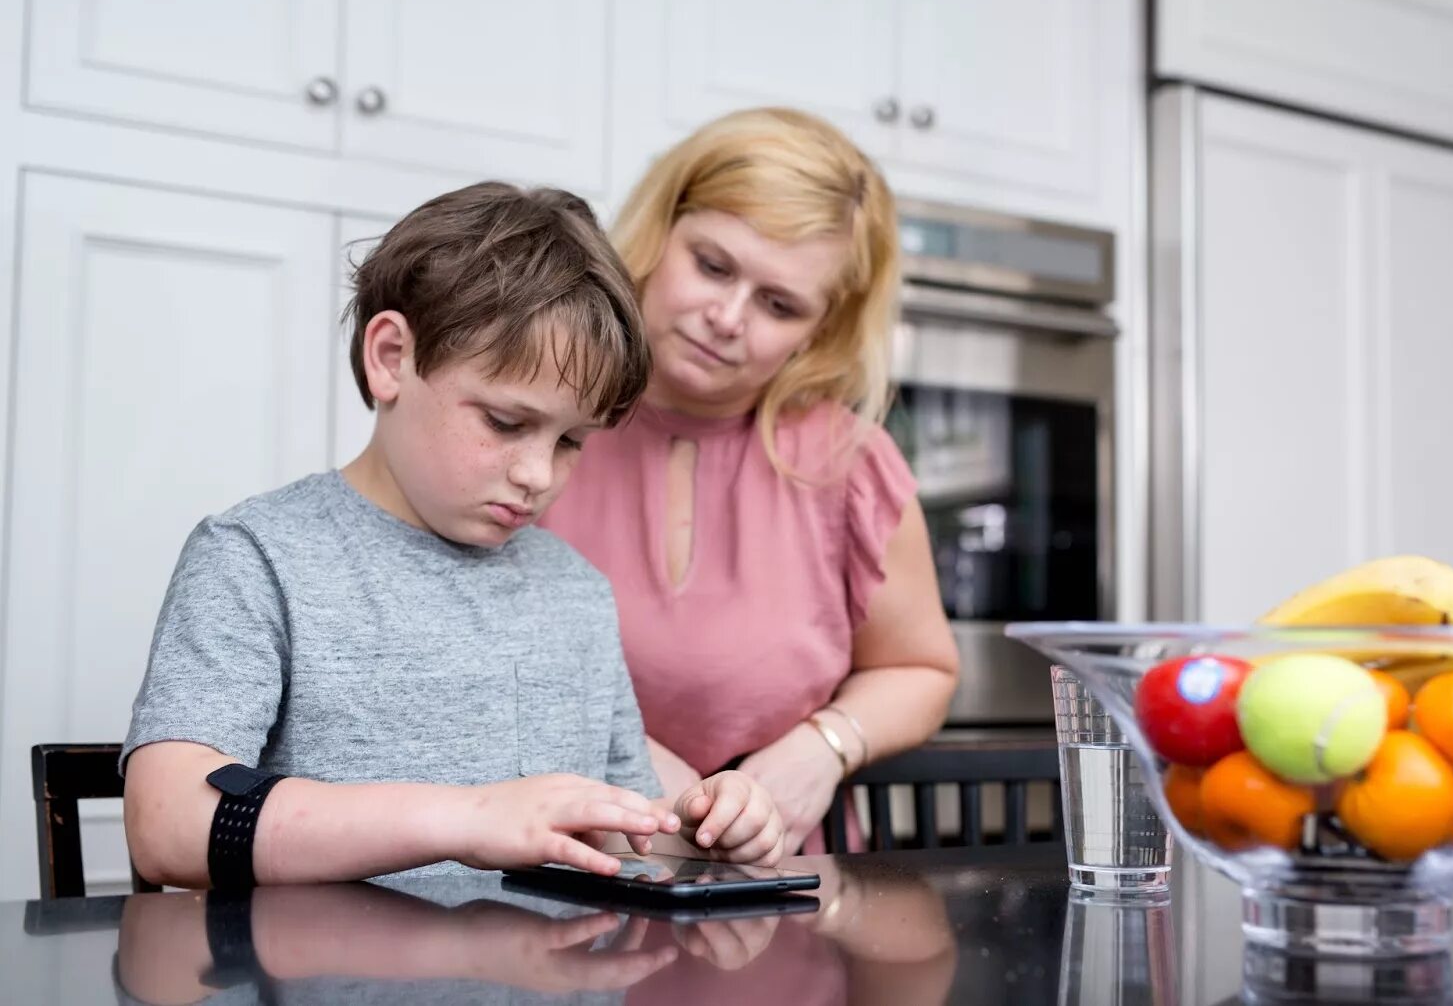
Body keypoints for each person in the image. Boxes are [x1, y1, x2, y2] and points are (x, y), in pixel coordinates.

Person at [120, 182, 785, 890]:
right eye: (504, 423)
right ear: (391, 357)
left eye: (572, 442)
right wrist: (466, 818)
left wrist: (708, 833)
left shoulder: (575, 592)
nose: (538, 474)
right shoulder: (257, 559)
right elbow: (168, 822)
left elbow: (622, 833)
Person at [540, 108, 960, 854]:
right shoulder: (536, 414)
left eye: (778, 305)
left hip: (767, 891)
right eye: (712, 264)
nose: (726, 317)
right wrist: (625, 753)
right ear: (659, 229)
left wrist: (824, 746)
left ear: (821, 329)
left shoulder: (851, 468)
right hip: (552, 882)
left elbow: (919, 668)